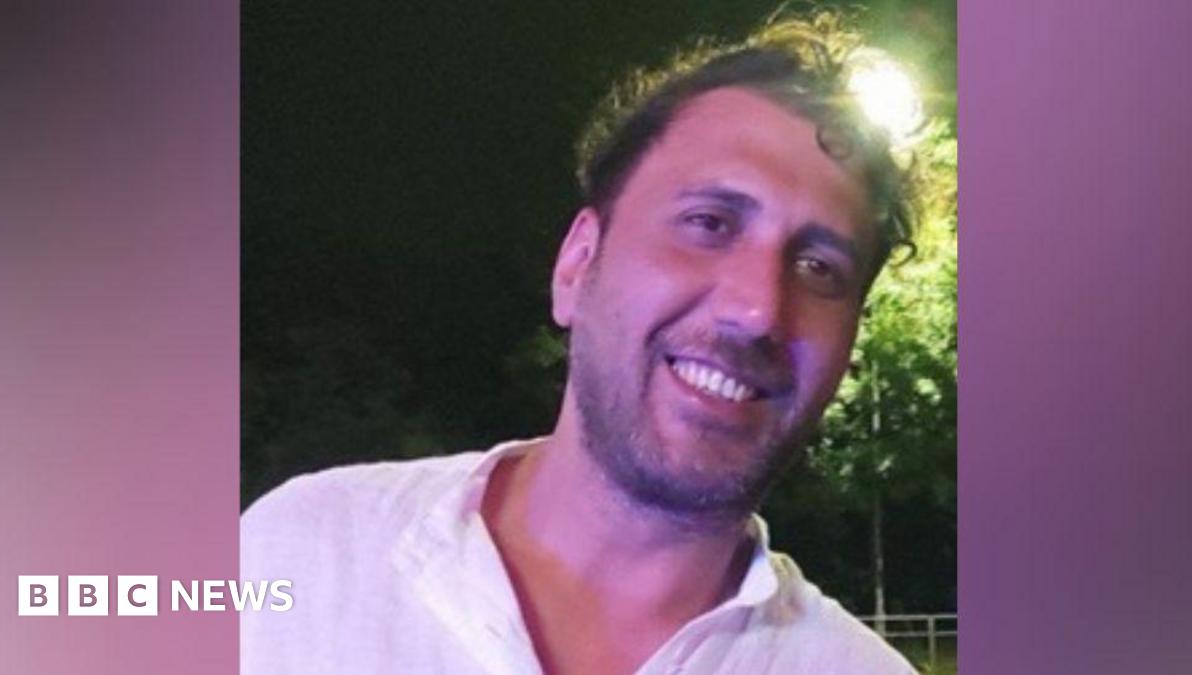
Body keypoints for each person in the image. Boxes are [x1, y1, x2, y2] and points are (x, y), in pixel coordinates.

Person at [243, 12, 921, 675]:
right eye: (709, 223)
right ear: (576, 265)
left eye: (819, 268)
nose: (756, 310)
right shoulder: (296, 556)